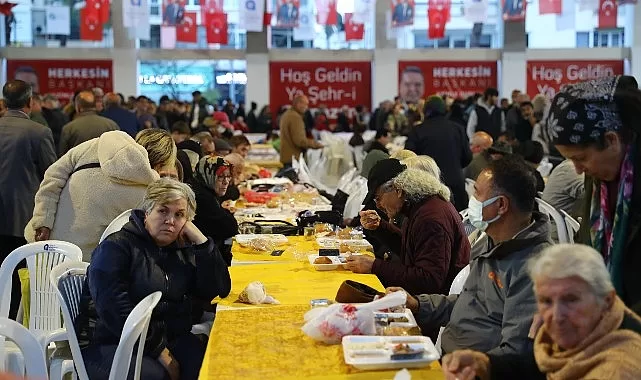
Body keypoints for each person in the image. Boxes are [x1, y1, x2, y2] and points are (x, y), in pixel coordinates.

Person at [389, 156, 551, 357]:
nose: (472, 200)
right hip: (449, 354)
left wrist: (474, 365)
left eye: (477, 193)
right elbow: (468, 303)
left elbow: (517, 352)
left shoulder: (536, 269)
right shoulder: (489, 242)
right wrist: (417, 304)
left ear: (501, 205)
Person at [76, 178, 231, 380]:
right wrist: (160, 351)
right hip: (112, 341)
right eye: (163, 211)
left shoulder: (180, 249)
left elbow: (216, 289)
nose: (170, 220)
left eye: (179, 215)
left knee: (212, 366)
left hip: (168, 337)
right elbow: (115, 310)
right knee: (156, 375)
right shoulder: (116, 247)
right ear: (147, 212)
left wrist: (202, 243)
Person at [442, 244, 641, 380]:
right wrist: (483, 363)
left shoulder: (620, 368)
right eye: (546, 301)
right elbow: (535, 367)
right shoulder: (580, 337)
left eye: (571, 299)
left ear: (606, 301)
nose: (556, 315)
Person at [546, 75, 641, 309]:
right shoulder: (599, 179)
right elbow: (587, 241)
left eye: (580, 158)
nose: (578, 169)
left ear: (611, 140)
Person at [26, 129, 176, 260]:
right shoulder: (148, 194)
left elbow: (52, 177)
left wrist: (43, 221)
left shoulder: (95, 145)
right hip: (86, 266)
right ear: (161, 164)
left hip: (42, 249)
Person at [348, 160, 470, 301]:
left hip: (436, 305)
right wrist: (380, 227)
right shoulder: (421, 207)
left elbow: (429, 280)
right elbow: (411, 250)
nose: (378, 205)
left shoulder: (430, 219)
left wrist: (374, 266)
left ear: (398, 190)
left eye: (378, 198)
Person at [0, 80, 57, 319]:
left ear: (3, 103)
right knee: (18, 278)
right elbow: (52, 174)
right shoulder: (39, 132)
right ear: (30, 103)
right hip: (22, 217)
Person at [405, 96, 473, 211]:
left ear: (425, 111)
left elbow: (409, 160)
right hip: (456, 185)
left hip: (428, 187)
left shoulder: (417, 131)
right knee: (458, 222)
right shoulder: (458, 129)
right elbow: (467, 157)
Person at [190, 156, 239, 266]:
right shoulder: (202, 197)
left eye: (228, 176)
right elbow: (230, 226)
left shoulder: (207, 191)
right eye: (220, 177)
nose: (226, 182)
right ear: (207, 175)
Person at [58, 90, 119, 156]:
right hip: (105, 165)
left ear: (78, 107)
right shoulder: (112, 125)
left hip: (79, 165)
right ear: (95, 106)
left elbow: (63, 157)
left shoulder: (68, 128)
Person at [279, 95, 323, 167]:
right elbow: (300, 141)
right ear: (298, 103)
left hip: (287, 157)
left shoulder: (287, 114)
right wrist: (316, 144)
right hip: (294, 159)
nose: (306, 107)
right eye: (305, 104)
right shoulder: (295, 117)